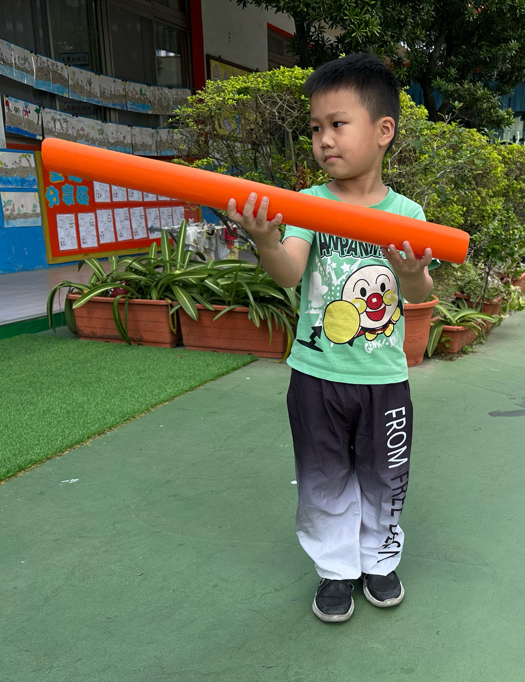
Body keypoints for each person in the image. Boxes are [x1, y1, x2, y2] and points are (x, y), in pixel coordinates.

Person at [225, 53, 434, 623]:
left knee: (384, 475)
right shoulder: (309, 205)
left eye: (338, 124)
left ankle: (379, 560)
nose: (323, 139)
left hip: (383, 378)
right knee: (324, 476)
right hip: (317, 375)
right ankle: (336, 570)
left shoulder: (407, 212)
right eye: (316, 128)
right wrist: (267, 241)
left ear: (383, 130)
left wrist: (410, 271)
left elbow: (420, 291)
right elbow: (289, 273)